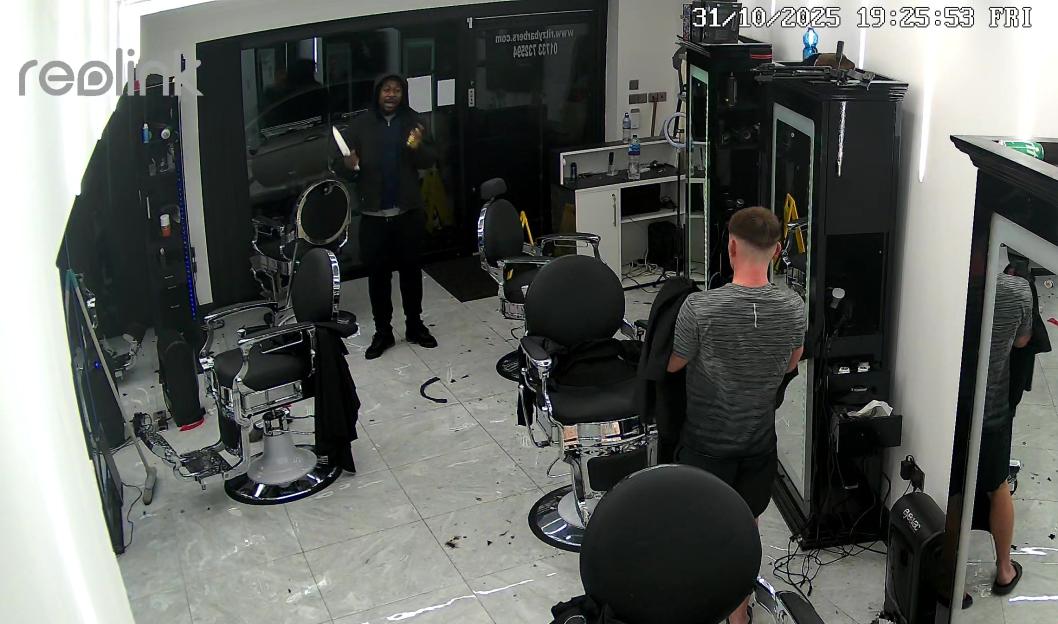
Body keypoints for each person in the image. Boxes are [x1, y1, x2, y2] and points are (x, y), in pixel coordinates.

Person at [666, 206, 806, 624]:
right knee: (746, 525)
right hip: (758, 444)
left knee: (703, 528)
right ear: (777, 251)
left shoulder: (699, 308)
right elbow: (791, 363)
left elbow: (673, 365)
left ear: (730, 246)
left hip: (705, 444)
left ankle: (702, 601)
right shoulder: (793, 307)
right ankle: (738, 613)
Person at [340, 74, 438, 359]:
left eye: (397, 90)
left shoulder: (414, 121)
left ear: (403, 94)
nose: (391, 94)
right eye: (386, 89)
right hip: (373, 216)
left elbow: (429, 159)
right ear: (378, 93)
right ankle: (383, 332)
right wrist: (349, 165)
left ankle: (414, 326)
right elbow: (342, 166)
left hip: (407, 213)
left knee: (411, 272)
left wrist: (418, 147)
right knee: (378, 278)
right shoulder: (360, 125)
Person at [975, 270, 1033, 595]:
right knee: (997, 485)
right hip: (992, 409)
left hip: (953, 409)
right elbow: (1023, 341)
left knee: (955, 491)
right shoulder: (1015, 289)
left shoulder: (949, 283)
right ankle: (1004, 569)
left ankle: (951, 581)